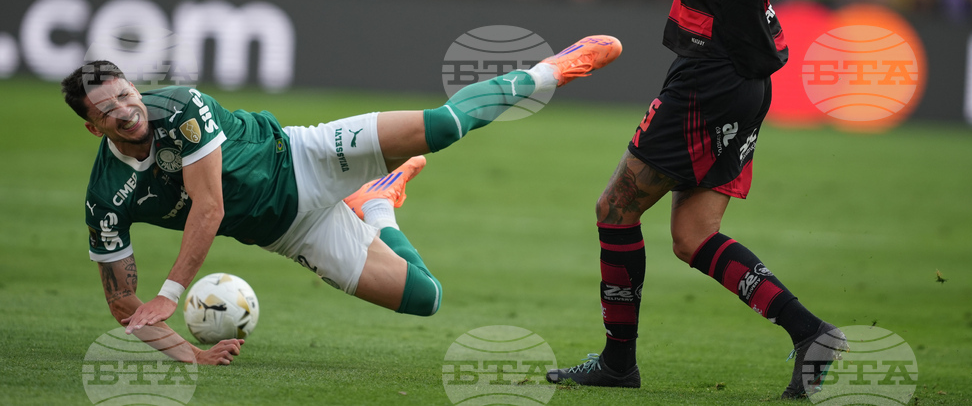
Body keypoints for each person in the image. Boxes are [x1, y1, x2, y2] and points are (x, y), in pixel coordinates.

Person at [545, 0, 847, 399]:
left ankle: (619, 363)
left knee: (615, 209)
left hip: (713, 76)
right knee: (692, 237)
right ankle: (808, 331)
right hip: (727, 74)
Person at [63, 35, 622, 365]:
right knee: (425, 297)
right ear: (94, 128)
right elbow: (123, 304)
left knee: (444, 126)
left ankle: (550, 70)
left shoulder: (179, 107)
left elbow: (208, 208)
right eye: (107, 109)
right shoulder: (106, 198)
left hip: (307, 156)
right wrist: (192, 354)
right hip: (291, 232)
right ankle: (379, 202)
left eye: (126, 94)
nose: (127, 109)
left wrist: (171, 292)